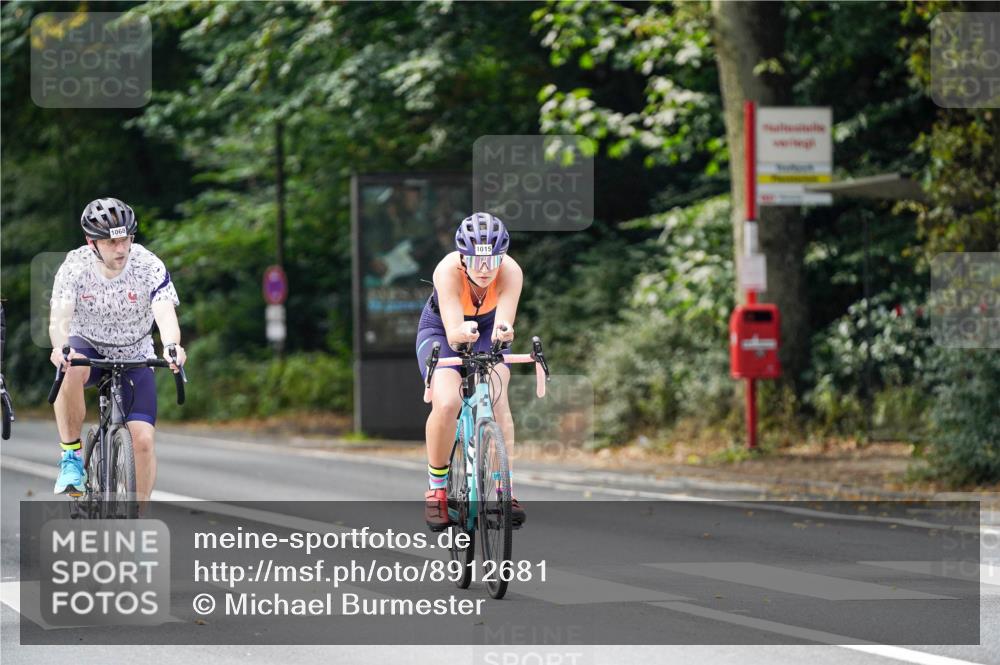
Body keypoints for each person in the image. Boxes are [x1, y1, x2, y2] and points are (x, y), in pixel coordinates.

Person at [48, 197, 186, 503]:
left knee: (144, 441)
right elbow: (60, 318)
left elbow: (164, 312)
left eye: (125, 239)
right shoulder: (74, 266)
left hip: (135, 352)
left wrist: (172, 345)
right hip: (88, 344)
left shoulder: (148, 265)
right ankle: (71, 457)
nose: (121, 249)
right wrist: (61, 348)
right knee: (70, 365)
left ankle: (139, 525)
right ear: (92, 242)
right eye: (111, 242)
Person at [415, 212, 525, 531]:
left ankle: (504, 490)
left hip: (487, 328)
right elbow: (452, 332)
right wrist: (461, 334)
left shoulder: (511, 272)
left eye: (493, 259)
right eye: (476, 259)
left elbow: (504, 321)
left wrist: (504, 332)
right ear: (463, 256)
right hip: (441, 329)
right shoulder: (447, 270)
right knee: (448, 402)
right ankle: (437, 490)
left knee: (497, 396)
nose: (485, 268)